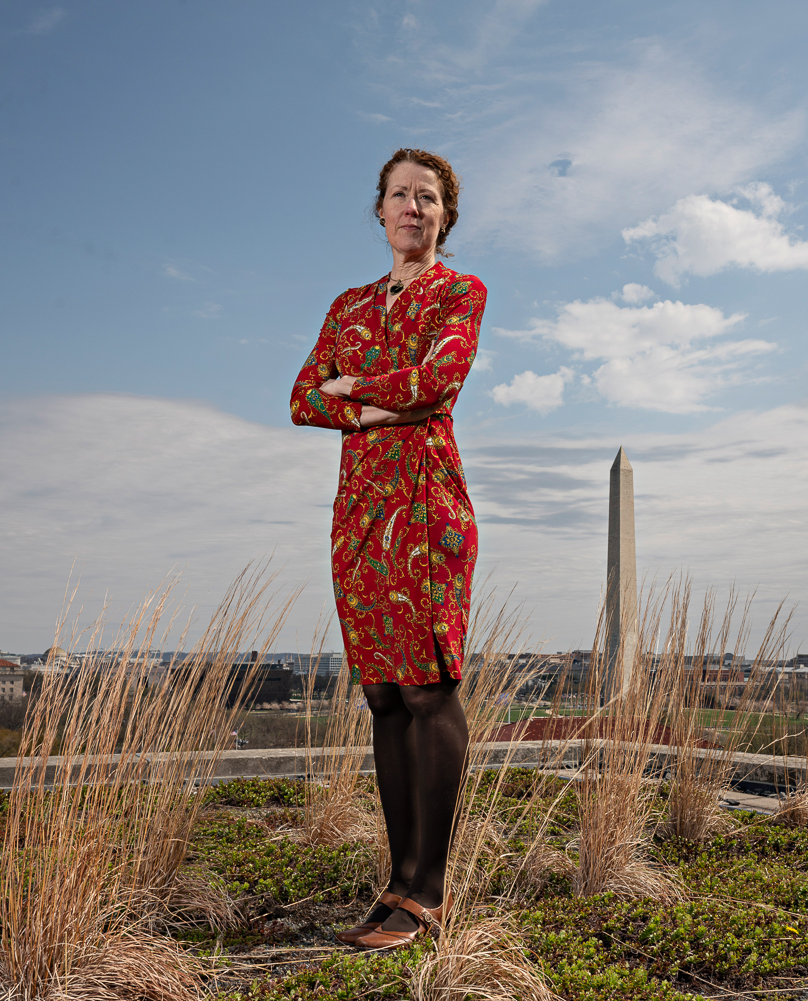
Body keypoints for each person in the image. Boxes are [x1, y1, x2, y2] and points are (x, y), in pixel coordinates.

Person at [289, 148, 484, 949]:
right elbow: (302, 397)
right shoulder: (349, 305)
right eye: (400, 195)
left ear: (445, 215)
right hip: (361, 515)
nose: (413, 207)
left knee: (430, 689)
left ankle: (427, 894)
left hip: (427, 507)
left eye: (428, 197)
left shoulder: (460, 293)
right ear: (379, 210)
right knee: (383, 697)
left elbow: (438, 381)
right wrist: (375, 401)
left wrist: (354, 391)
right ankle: (395, 882)